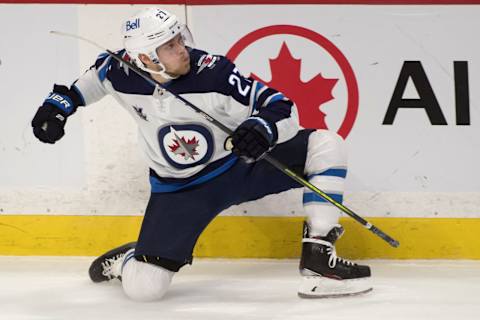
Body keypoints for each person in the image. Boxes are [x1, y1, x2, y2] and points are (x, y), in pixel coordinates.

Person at [31, 7, 371, 301]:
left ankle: (319, 254)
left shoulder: (216, 72)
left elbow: (280, 106)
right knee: (144, 291)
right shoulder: (119, 70)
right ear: (145, 58)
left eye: (179, 39)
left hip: (242, 166)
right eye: (169, 46)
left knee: (326, 143)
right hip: (180, 190)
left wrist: (261, 128)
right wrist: (58, 107)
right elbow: (86, 85)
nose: (182, 50)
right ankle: (130, 261)